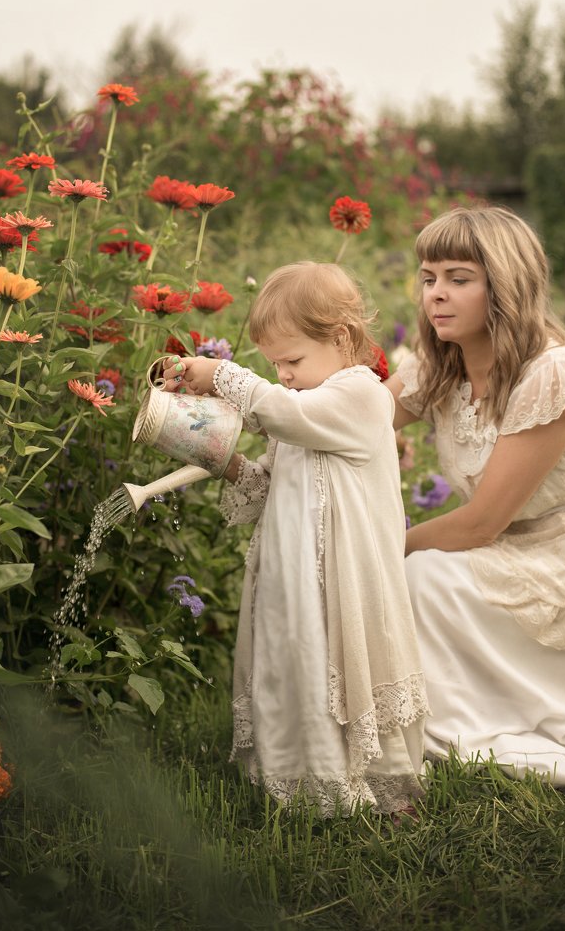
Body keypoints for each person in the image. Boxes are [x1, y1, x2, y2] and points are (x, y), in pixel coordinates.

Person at [384, 205, 565, 789]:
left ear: (505, 286)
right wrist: (254, 402)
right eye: (429, 277)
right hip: (517, 548)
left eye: (459, 278)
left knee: (423, 575)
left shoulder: (551, 373)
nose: (436, 294)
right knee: (423, 574)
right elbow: (354, 423)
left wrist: (381, 545)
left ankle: (534, 708)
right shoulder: (437, 365)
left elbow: (480, 524)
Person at [161, 261, 429, 816]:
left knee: (335, 664)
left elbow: (281, 412)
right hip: (290, 579)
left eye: (292, 360)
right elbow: (267, 485)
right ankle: (298, 780)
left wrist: (221, 376)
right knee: (294, 665)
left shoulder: (359, 397)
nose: (282, 374)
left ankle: (374, 787)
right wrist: (224, 461)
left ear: (342, 337)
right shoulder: (302, 407)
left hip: (339, 582)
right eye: (274, 364)